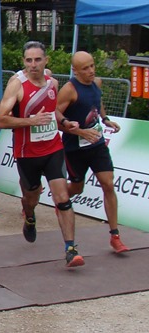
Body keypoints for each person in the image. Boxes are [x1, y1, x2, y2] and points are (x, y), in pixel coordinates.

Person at [0, 41, 85, 267]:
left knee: (62, 198)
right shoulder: (17, 85)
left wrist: (64, 121)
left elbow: (52, 108)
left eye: (37, 60)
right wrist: (30, 121)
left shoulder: (52, 83)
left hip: (53, 148)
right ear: (23, 62)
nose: (33, 65)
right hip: (27, 153)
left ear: (46, 61)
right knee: (31, 197)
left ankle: (71, 249)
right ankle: (30, 216)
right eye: (28, 60)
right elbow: (0, 119)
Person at [55, 51, 129, 253]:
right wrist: (77, 130)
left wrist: (105, 120)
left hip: (96, 144)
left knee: (108, 184)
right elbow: (56, 116)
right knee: (77, 189)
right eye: (85, 68)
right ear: (75, 71)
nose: (91, 70)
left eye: (92, 65)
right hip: (75, 148)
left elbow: (97, 103)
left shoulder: (97, 83)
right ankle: (61, 199)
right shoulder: (69, 90)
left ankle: (115, 235)